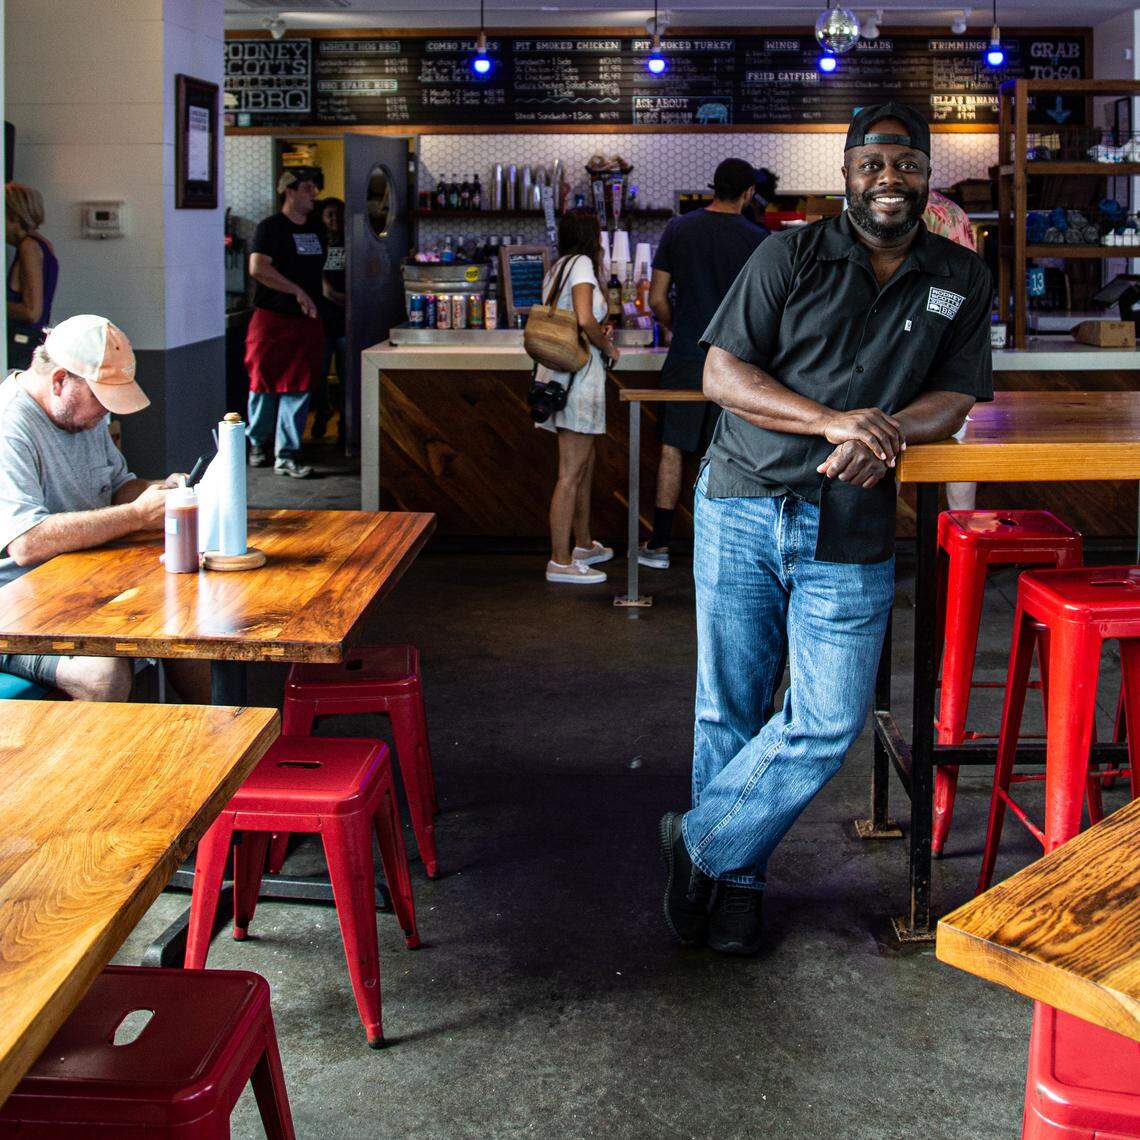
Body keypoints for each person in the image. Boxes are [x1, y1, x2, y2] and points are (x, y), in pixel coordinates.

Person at [659, 103, 993, 956]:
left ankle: (697, 842)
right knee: (728, 707)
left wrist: (886, 429)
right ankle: (734, 886)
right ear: (846, 174)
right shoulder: (788, 252)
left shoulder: (960, 274)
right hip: (740, 500)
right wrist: (834, 423)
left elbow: (954, 397)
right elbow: (721, 374)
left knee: (827, 720)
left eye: (908, 164)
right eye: (873, 164)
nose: (891, 178)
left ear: (927, 175)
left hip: (852, 520)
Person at [0, 315, 201, 701]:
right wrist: (137, 515)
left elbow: (117, 487)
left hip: (80, 581)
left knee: (191, 622)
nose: (105, 414)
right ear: (59, 381)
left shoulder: (83, 417)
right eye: (99, 398)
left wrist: (158, 493)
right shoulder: (11, 425)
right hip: (17, 606)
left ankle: (224, 752)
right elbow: (26, 543)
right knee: (103, 674)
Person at [640, 159, 768, 569]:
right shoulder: (760, 239)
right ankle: (717, 550)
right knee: (725, 454)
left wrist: (678, 328)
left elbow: (657, 298)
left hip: (687, 357)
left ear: (715, 188)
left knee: (674, 449)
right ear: (749, 193)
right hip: (737, 361)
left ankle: (659, 544)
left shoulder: (679, 228)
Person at [537, 209, 620, 585]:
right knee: (569, 474)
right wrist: (608, 347)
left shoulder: (558, 267)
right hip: (578, 378)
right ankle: (559, 560)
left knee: (581, 468)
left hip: (556, 377)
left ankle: (583, 544)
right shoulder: (584, 263)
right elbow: (585, 319)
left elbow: (573, 317)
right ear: (592, 235)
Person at [245, 167, 326, 479]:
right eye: (307, 188)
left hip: (305, 321)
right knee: (263, 383)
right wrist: (296, 291)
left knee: (300, 386)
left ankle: (288, 453)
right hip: (271, 319)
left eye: (314, 188)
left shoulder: (317, 229)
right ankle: (257, 443)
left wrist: (322, 296)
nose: (313, 194)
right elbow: (257, 268)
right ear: (288, 191)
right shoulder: (270, 228)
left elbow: (316, 272)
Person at [924, 189, 980, 512]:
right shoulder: (954, 212)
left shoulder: (893, 210)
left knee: (889, 454)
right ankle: (963, 542)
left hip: (911, 345)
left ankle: (880, 555)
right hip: (954, 346)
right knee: (959, 455)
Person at [6, 183, 59, 370]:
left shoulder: (28, 247)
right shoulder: (43, 245)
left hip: (20, 347)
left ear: (13, 215)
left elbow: (31, 312)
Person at [314, 196, 346, 444]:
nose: (335, 220)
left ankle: (346, 424)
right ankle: (322, 415)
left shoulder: (352, 241)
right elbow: (320, 284)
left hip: (346, 320)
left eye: (338, 214)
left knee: (347, 374)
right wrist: (334, 295)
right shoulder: (316, 243)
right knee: (319, 375)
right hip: (322, 319)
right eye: (330, 215)